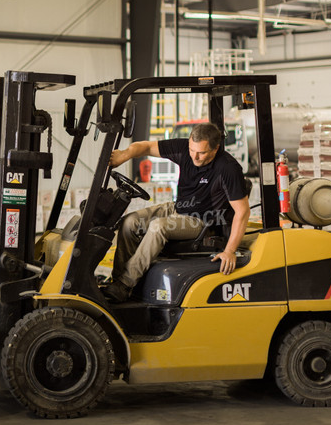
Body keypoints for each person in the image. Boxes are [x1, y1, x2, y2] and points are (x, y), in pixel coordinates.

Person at [104, 122, 250, 303]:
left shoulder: (228, 168)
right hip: (177, 208)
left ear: (216, 148)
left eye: (202, 153)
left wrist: (230, 251)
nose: (194, 157)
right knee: (130, 222)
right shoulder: (184, 149)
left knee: (158, 227)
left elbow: (242, 211)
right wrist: (124, 155)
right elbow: (147, 146)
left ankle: (126, 282)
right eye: (192, 150)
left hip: (202, 221)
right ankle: (119, 283)